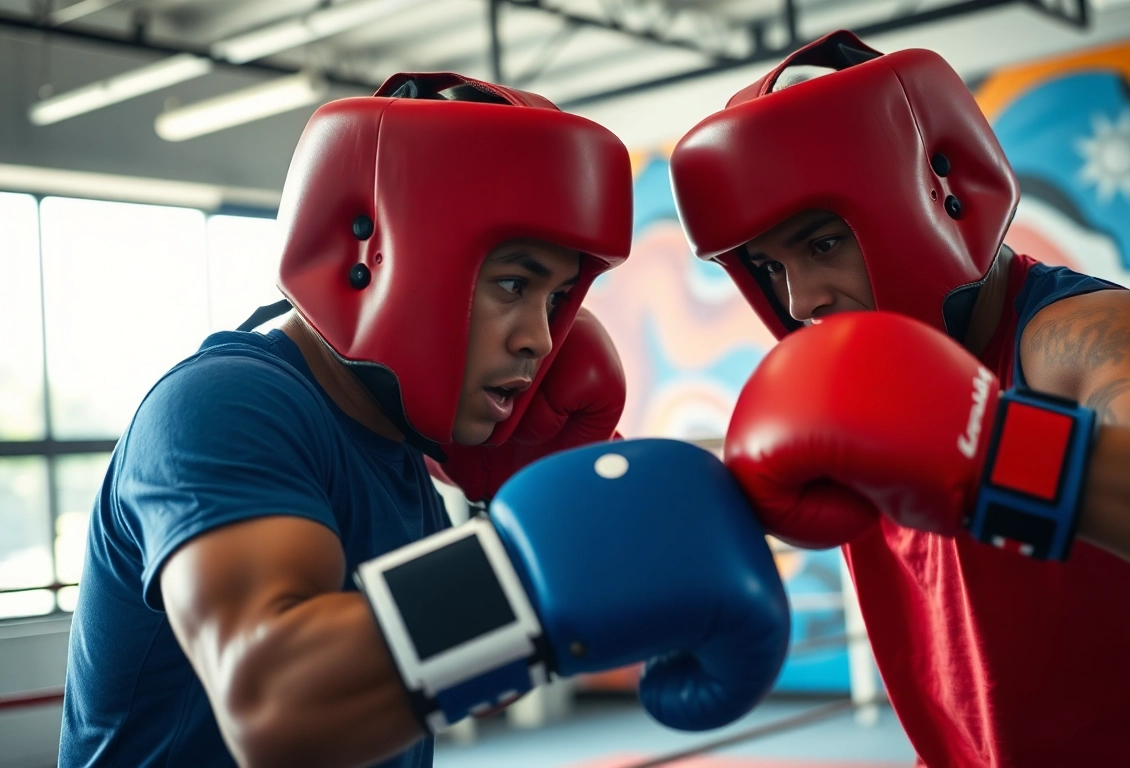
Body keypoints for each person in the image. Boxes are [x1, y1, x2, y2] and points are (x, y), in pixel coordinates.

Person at [60, 73, 790, 768]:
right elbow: (274, 705)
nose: (541, 337)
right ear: (371, 261)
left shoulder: (400, 448)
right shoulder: (223, 408)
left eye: (557, 296)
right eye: (513, 283)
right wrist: (534, 569)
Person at [669, 31, 1130, 767]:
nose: (802, 300)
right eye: (769, 267)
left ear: (940, 194)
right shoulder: (848, 391)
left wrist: (990, 453)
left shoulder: (1083, 336)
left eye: (822, 246)